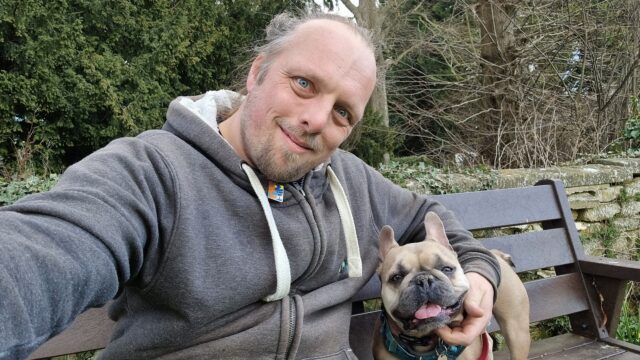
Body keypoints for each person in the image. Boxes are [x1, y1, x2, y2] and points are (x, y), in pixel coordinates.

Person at [0, 12, 499, 360]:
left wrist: (479, 278)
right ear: (257, 73)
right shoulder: (152, 172)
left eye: (343, 112)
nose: (315, 120)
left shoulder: (348, 178)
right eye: (303, 83)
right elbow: (46, 249)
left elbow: (432, 215)